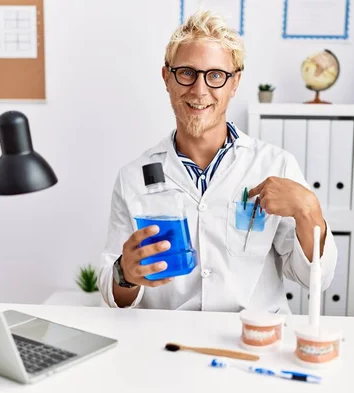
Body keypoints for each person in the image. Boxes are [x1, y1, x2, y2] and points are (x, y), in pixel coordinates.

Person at [98, 9, 337, 313]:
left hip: (252, 338)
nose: (199, 90)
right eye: (186, 73)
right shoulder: (133, 177)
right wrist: (125, 274)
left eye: (215, 76)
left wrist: (309, 211)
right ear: (167, 78)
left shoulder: (275, 165)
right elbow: (113, 292)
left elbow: (316, 278)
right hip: (168, 344)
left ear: (235, 83)